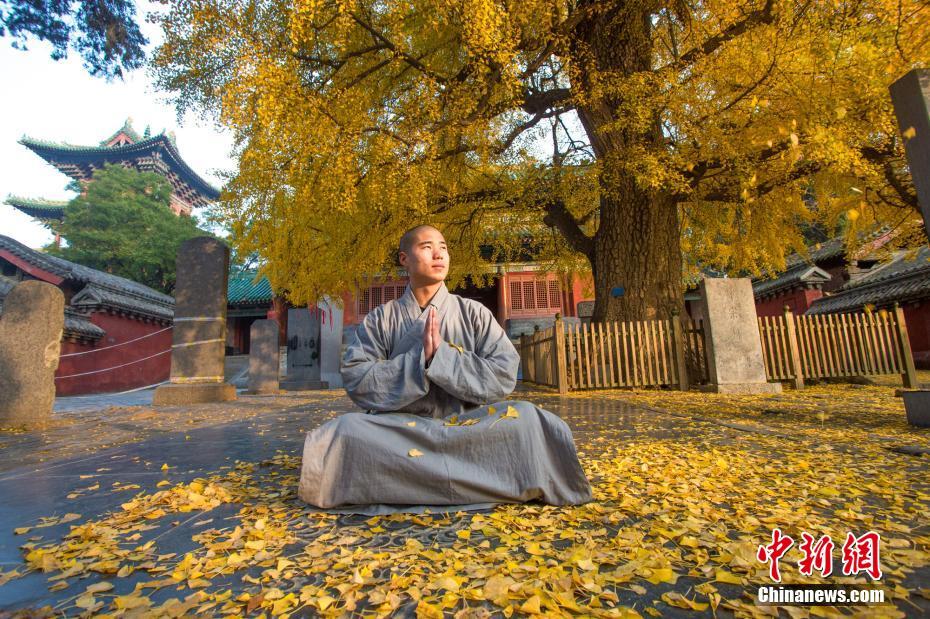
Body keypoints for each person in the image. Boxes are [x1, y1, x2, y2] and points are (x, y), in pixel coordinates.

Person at [297, 225, 592, 511]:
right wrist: (419, 363)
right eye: (427, 247)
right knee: (346, 430)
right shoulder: (381, 318)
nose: (439, 255)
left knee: (528, 419)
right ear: (405, 260)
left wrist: (443, 358)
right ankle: (481, 481)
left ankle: (404, 483)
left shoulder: (474, 313)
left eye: (444, 248)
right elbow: (357, 378)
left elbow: (503, 373)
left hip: (469, 427)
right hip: (401, 432)